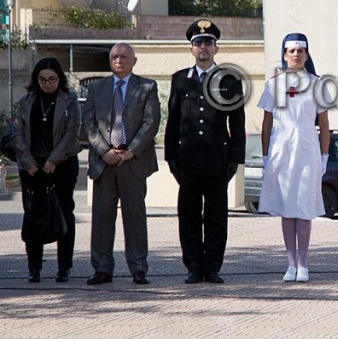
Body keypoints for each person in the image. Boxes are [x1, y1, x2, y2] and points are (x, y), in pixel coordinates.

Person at [165, 19, 246, 284]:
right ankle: (193, 266)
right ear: (191, 49)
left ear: (216, 48)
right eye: (198, 43)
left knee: (215, 218)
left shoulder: (229, 80)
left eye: (208, 43)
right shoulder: (180, 80)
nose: (203, 48)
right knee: (188, 217)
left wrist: (235, 159)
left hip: (217, 162)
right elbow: (173, 123)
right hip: (188, 161)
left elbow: (237, 122)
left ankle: (212, 267)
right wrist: (171, 158)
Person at [81, 42, 160, 285]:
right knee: (102, 217)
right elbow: (89, 123)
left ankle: (138, 268)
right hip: (104, 162)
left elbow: (151, 123)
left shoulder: (147, 87)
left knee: (134, 217)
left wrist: (130, 152)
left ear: (134, 61)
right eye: (114, 56)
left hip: (133, 162)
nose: (118, 60)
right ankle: (102, 268)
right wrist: (104, 151)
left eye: (124, 56)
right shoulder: (96, 88)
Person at [257, 33, 330, 283]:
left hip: (308, 149)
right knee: (287, 208)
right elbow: (266, 122)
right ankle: (290, 263)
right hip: (282, 149)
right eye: (291, 51)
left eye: (301, 51)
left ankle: (303, 263)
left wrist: (325, 155)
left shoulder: (317, 84)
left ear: (307, 55)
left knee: (304, 207)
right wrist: (266, 155)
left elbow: (324, 123)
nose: (296, 55)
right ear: (285, 55)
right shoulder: (273, 84)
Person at [12, 58, 81, 283]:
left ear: (59, 79)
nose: (47, 84)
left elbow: (72, 134)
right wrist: (27, 161)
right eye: (42, 79)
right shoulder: (26, 101)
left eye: (52, 79)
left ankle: (64, 266)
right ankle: (34, 267)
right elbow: (18, 134)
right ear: (36, 79)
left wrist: (53, 160)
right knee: (33, 214)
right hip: (31, 166)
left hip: (61, 164)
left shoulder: (69, 101)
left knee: (63, 212)